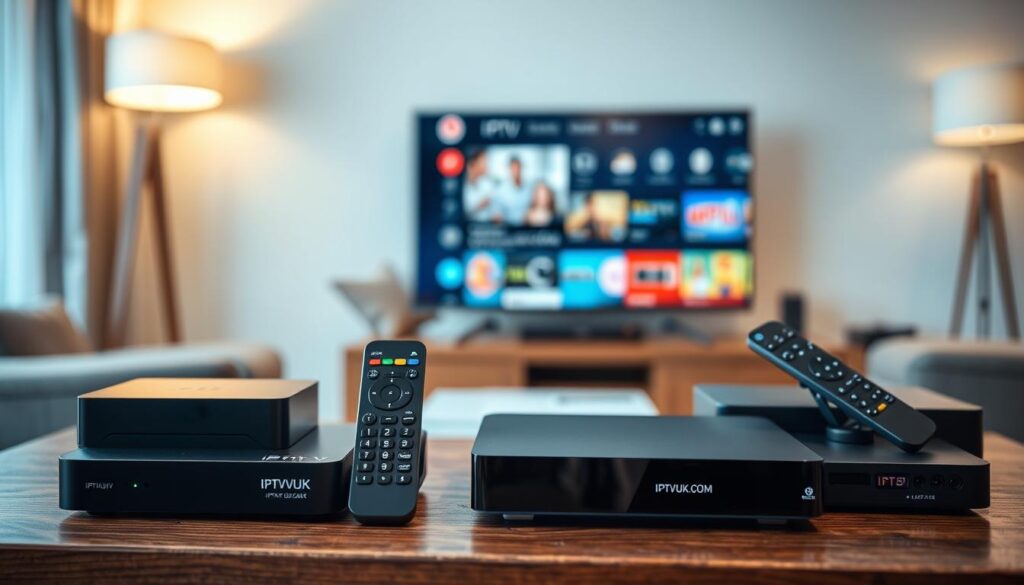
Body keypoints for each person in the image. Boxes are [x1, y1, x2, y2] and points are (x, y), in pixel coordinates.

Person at [463, 149, 500, 222]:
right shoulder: (463, 186)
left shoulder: (487, 184)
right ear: (473, 163)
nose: (487, 165)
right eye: (484, 161)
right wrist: (478, 206)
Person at [494, 156, 532, 224]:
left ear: (521, 169)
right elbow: (497, 214)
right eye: (513, 168)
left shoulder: (529, 188)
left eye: (518, 168)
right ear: (509, 170)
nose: (516, 171)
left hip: (527, 228)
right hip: (508, 229)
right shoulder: (500, 191)